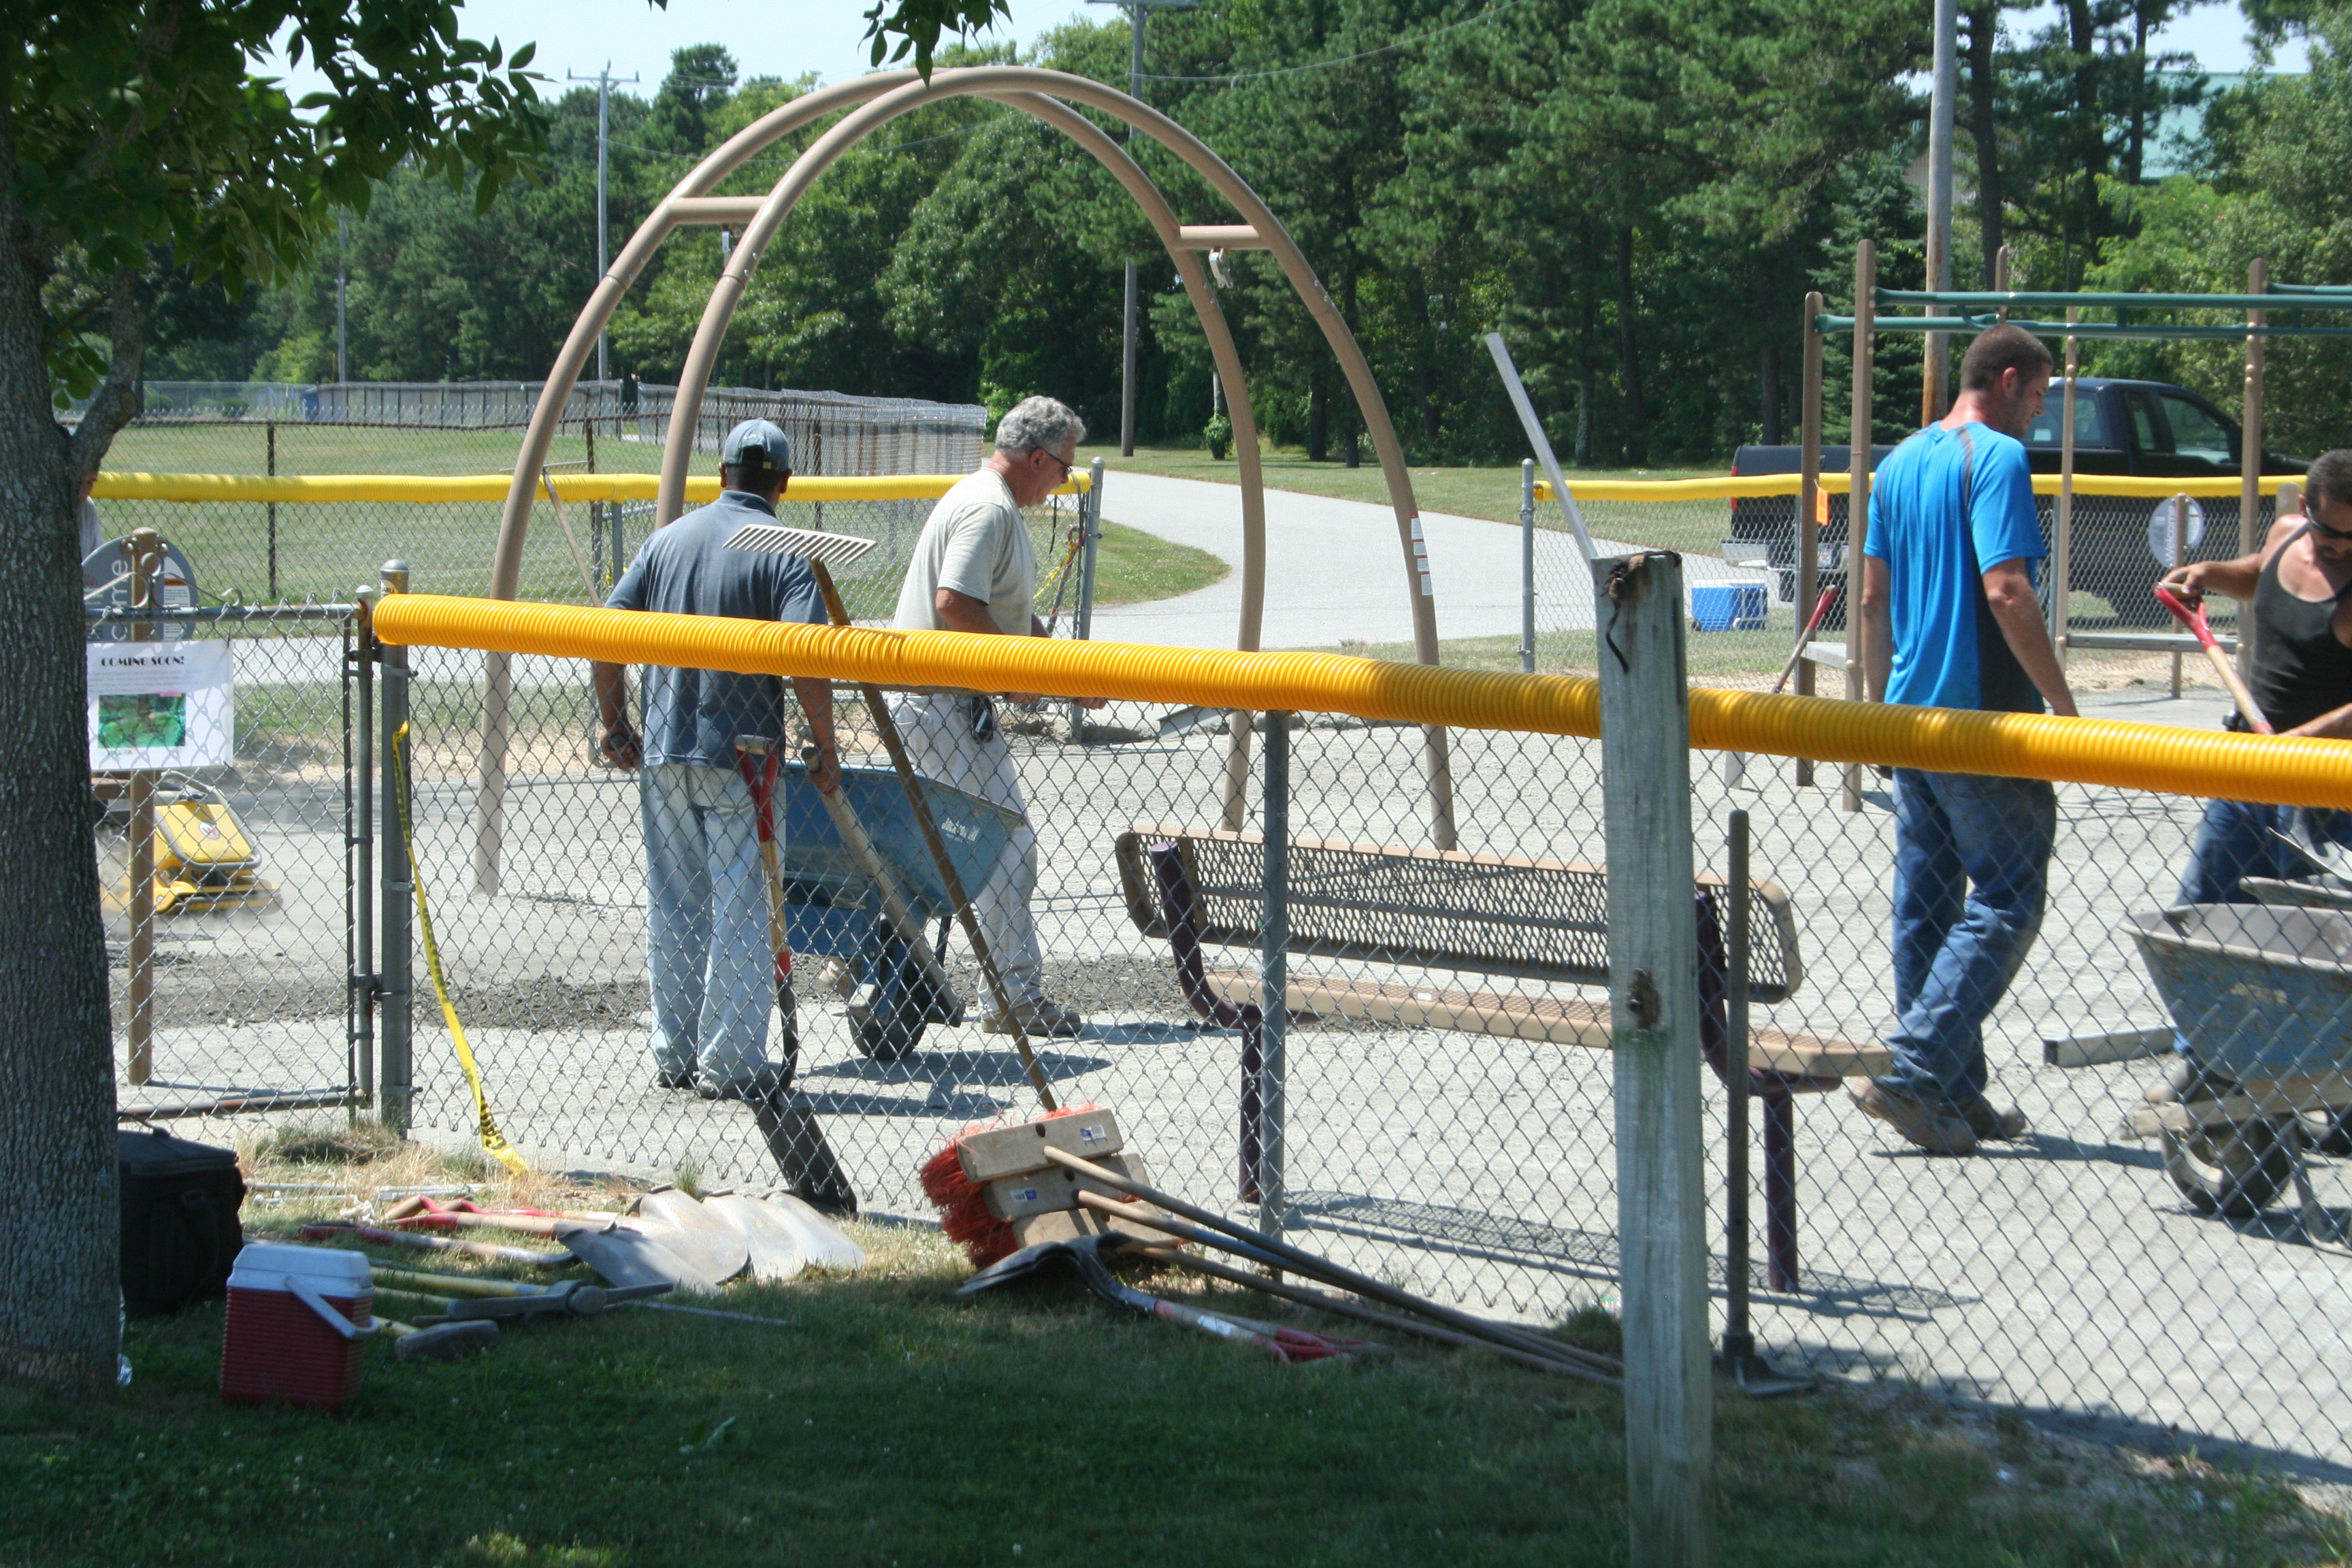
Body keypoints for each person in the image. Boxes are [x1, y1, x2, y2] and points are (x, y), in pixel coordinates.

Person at [1852, 324, 2080, 1156]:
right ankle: (1915, 1068)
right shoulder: (1999, 459)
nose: (2041, 415)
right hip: (1980, 719)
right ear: (2011, 380)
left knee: (1926, 906)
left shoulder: (1898, 462)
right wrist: (2060, 704)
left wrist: (1877, 708)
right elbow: (2008, 587)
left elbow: (1871, 601)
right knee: (2009, 895)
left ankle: (1949, 1094)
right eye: (2042, 396)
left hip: (1909, 714)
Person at [591, 419, 840, 1100]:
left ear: (722, 474)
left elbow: (603, 636)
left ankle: (676, 1051)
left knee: (676, 903)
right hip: (745, 758)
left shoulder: (667, 541)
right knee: (744, 908)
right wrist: (825, 744)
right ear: (783, 484)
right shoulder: (783, 550)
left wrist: (616, 726)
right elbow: (805, 656)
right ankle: (729, 1062)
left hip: (666, 749)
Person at [888, 395, 1102, 1038]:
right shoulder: (987, 508)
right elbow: (955, 602)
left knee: (949, 853)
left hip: (943, 706)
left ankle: (896, 963)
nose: (1063, 482)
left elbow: (1003, 615)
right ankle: (1012, 996)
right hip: (942, 705)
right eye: (1063, 470)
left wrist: (1059, 673)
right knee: (1007, 845)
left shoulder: (989, 501)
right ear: (1038, 459)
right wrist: (1012, 676)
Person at [2146, 449, 2352, 1105]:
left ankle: (2331, 1082)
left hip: (2328, 787)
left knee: (2322, 942)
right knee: (2203, 913)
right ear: (2307, 514)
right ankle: (2203, 1060)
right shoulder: (2285, 533)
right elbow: (2259, 574)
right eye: (2333, 532)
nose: (2344, 545)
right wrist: (2208, 572)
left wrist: (2305, 741)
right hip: (2248, 768)